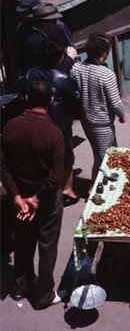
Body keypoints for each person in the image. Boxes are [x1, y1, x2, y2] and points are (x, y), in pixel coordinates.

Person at [1, 81, 64, 309]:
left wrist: (17, 197)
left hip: (18, 200)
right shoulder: (54, 133)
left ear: (27, 99)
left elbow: (2, 166)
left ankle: (20, 287)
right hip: (45, 202)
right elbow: (55, 176)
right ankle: (44, 295)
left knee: (23, 242)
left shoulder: (9, 127)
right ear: (50, 101)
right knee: (47, 247)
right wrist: (36, 199)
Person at [26, 41, 81, 204]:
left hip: (37, 122)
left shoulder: (31, 73)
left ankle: (51, 187)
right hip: (59, 124)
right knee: (66, 158)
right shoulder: (62, 78)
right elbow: (74, 101)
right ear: (58, 59)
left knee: (45, 158)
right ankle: (68, 189)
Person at [70, 32, 126, 186]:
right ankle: (95, 188)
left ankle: (102, 182)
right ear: (104, 53)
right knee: (104, 157)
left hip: (86, 120)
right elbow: (115, 103)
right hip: (101, 123)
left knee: (102, 153)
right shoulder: (106, 74)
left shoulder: (77, 69)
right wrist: (122, 115)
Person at [19, 2, 77, 74]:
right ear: (44, 25)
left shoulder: (31, 36)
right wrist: (70, 58)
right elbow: (54, 73)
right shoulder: (41, 43)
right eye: (54, 22)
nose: (56, 25)